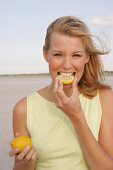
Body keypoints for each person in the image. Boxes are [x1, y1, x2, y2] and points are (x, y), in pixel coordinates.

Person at [9, 16, 113, 170]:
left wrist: (76, 115)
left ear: (86, 57)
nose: (67, 65)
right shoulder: (23, 109)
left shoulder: (103, 97)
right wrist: (24, 164)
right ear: (46, 54)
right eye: (58, 54)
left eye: (76, 55)